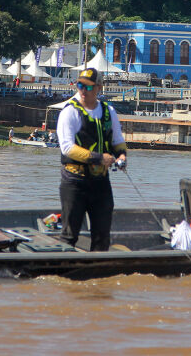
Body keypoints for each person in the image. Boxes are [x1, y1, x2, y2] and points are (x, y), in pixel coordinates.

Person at [56, 68, 127, 251]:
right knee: (69, 236)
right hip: (74, 182)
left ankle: (99, 275)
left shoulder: (108, 111)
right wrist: (98, 158)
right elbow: (67, 148)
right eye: (79, 85)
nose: (82, 90)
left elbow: (118, 141)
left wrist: (121, 156)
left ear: (98, 88)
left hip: (100, 183)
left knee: (102, 236)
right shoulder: (69, 112)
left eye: (87, 87)